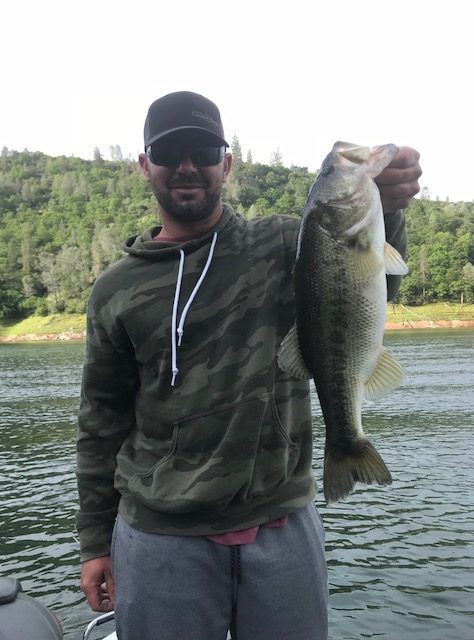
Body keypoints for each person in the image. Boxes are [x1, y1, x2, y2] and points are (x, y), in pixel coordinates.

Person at [76, 91, 422, 640]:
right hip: (160, 536)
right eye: (169, 153)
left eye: (203, 151)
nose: (187, 165)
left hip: (282, 523)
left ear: (227, 164)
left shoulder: (286, 242)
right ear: (145, 165)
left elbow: (378, 280)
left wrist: (392, 206)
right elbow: (100, 423)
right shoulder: (116, 289)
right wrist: (95, 541)